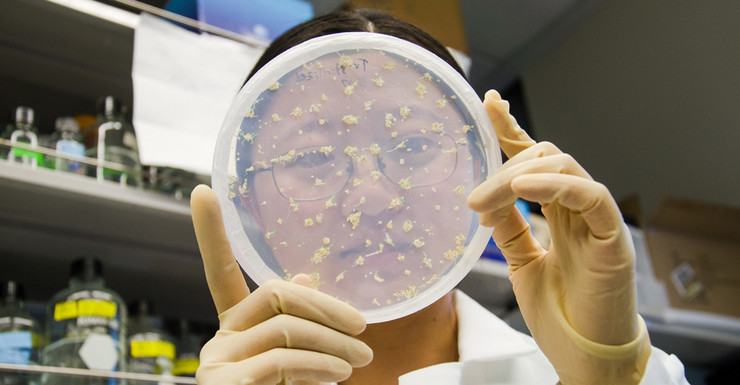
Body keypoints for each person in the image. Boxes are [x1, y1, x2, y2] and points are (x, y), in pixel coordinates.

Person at [189, 8, 690, 385]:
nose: (375, 198)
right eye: (313, 159)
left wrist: (610, 375)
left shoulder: (587, 374)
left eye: (414, 146)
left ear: (484, 169)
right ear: (247, 201)